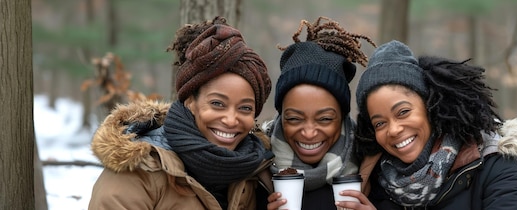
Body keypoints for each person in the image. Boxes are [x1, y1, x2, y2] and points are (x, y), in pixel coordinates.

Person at [88, 16, 273, 210]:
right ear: (190, 102)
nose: (230, 119)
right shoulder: (138, 174)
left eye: (245, 108)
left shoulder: (258, 173)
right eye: (217, 103)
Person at [336, 40, 517, 210]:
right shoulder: (375, 180)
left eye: (403, 112)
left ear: (430, 106)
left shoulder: (494, 164)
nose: (394, 129)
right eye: (380, 123)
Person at [264, 16, 376, 210]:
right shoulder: (256, 167)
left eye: (324, 119)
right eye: (294, 118)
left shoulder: (374, 166)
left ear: (342, 117)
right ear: (281, 115)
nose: (308, 133)